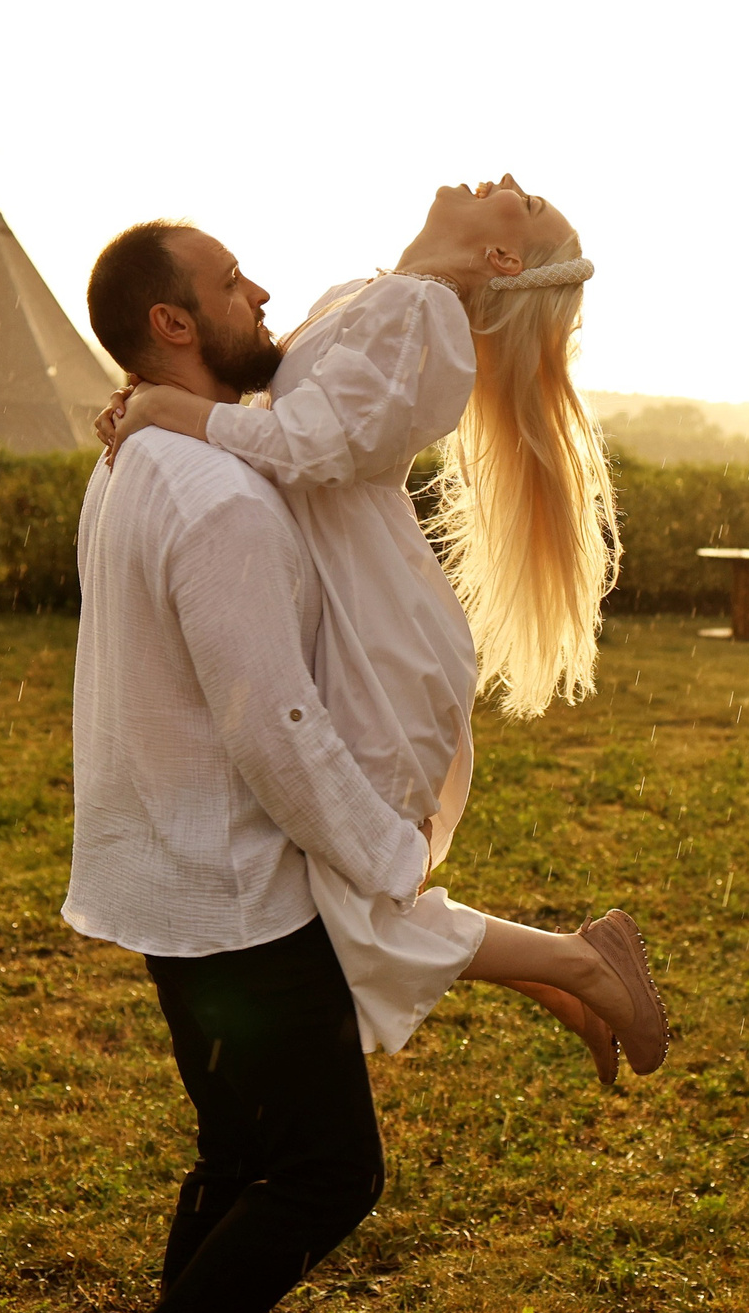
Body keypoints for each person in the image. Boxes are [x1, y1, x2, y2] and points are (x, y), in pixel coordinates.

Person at [33, 211, 665, 1313]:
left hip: (169, 874)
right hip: (233, 894)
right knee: (327, 1169)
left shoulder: (137, 462)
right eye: (227, 282)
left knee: (239, 1162)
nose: (259, 290)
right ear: (172, 324)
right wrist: (384, 853)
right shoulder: (217, 495)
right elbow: (277, 724)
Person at [97, 177, 659, 1075]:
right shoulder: (368, 296)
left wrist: (181, 414)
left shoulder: (427, 312)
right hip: (348, 604)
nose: (508, 183)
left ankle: (579, 969)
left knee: (348, 891)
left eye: (528, 203)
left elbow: (313, 445)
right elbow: (274, 412)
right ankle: (573, 967)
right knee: (335, 899)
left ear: (501, 258)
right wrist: (163, 400)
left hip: (377, 627)